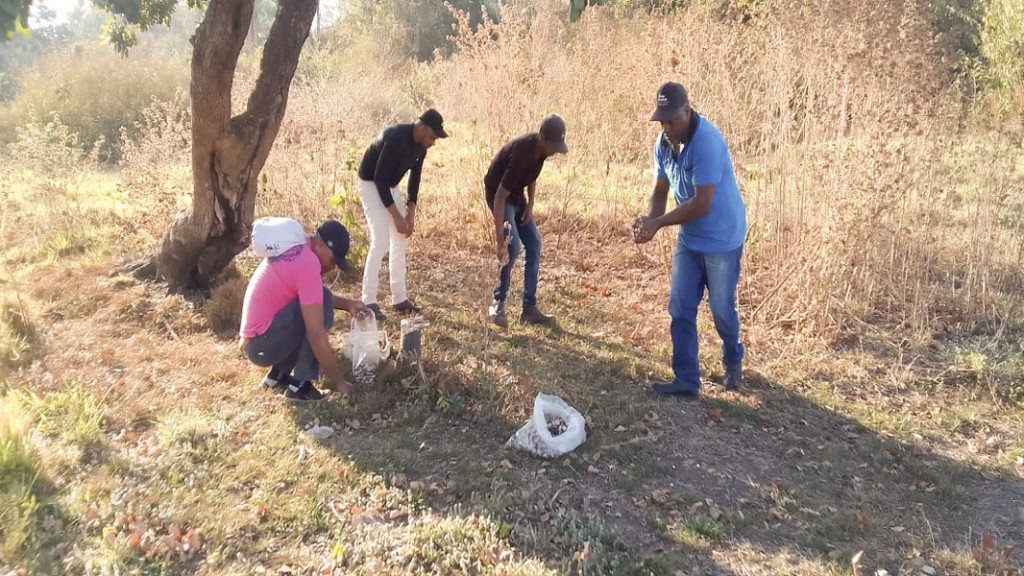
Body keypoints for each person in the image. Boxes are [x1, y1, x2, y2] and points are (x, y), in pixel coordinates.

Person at [633, 82, 747, 400]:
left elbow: (701, 204)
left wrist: (659, 223)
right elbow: (660, 191)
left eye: (672, 119)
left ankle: (733, 358)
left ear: (687, 110)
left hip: (722, 238)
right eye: (662, 121)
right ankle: (686, 380)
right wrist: (648, 222)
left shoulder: (707, 142)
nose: (667, 127)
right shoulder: (665, 142)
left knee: (722, 311)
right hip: (690, 238)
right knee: (680, 307)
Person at [239, 220, 371, 401]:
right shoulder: (307, 264)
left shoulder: (299, 247)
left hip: (257, 342)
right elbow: (316, 334)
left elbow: (312, 298)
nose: (333, 267)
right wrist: (339, 382)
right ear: (320, 245)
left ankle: (278, 376)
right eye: (333, 260)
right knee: (318, 311)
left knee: (318, 300)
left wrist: (348, 305)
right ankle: (301, 386)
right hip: (263, 345)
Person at [357, 108, 447, 322]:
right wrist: (396, 217)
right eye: (433, 137)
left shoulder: (421, 148)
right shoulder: (396, 137)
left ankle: (399, 298)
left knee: (401, 240)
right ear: (422, 128)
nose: (433, 142)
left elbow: (414, 180)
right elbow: (379, 178)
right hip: (371, 184)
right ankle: (368, 300)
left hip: (391, 186)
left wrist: (410, 214)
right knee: (380, 240)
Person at [485, 114, 568, 327]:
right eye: (554, 146)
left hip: (517, 196)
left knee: (534, 245)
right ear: (543, 139)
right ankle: (497, 302)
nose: (555, 152)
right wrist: (499, 239)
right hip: (499, 196)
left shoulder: (541, 153)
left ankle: (529, 309)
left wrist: (530, 205)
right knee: (512, 249)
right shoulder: (522, 153)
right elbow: (500, 196)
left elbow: (531, 178)